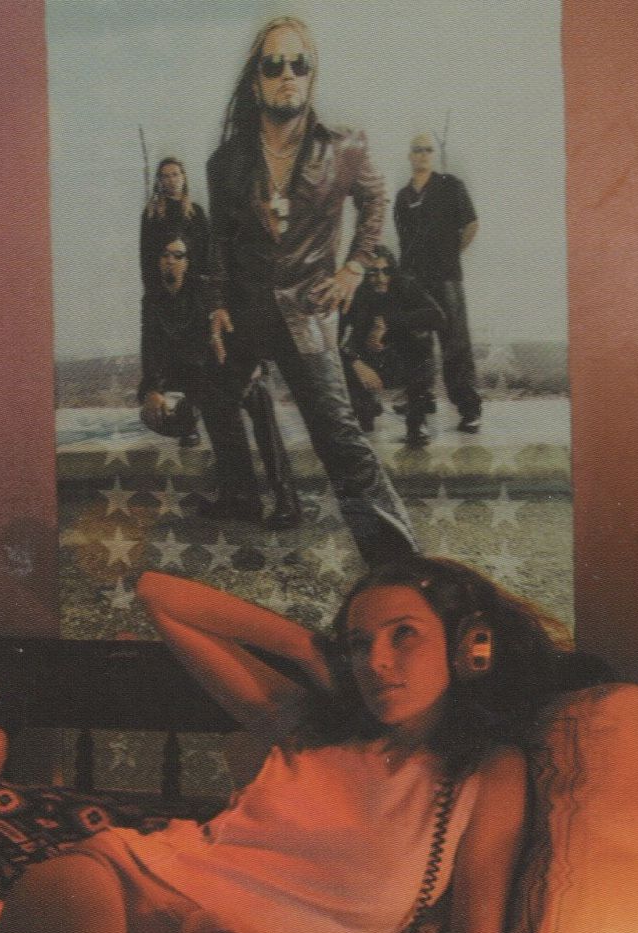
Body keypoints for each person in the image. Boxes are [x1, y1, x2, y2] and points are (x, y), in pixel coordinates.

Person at [0, 557, 567, 933]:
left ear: (470, 647)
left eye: (404, 635)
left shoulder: (489, 771)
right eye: (358, 643)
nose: (375, 662)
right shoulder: (303, 720)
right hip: (115, 889)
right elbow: (158, 593)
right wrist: (307, 648)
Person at [203, 16, 418, 565]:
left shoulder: (343, 147)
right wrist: (217, 305)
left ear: (311, 75)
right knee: (214, 396)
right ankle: (252, 497)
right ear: (256, 81)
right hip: (246, 311)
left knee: (339, 439)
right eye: (273, 65)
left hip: (307, 311)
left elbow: (375, 201)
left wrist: (354, 269)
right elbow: (220, 237)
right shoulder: (226, 162)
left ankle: (397, 565)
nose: (287, 75)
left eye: (298, 64)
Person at [139, 233, 269, 523]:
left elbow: (231, 330)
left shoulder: (203, 290)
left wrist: (248, 367)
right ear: (157, 260)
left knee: (225, 422)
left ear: (188, 262)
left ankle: (247, 500)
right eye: (165, 255)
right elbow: (150, 345)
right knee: (157, 416)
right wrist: (153, 390)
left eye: (178, 256)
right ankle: (233, 496)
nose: (170, 261)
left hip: (221, 370)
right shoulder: (152, 298)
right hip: (188, 378)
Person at [393, 132, 483, 435]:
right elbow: (404, 240)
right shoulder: (403, 196)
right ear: (409, 155)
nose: (422, 154)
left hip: (446, 278)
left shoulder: (451, 185)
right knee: (416, 345)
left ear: (434, 155)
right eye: (417, 150)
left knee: (455, 343)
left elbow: (471, 224)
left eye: (428, 150)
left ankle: (469, 409)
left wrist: (449, 254)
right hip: (413, 281)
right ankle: (421, 404)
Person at [340, 245, 446, 445]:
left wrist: (388, 323)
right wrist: (356, 363)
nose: (381, 278)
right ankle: (367, 406)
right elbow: (333, 336)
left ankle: (417, 421)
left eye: (386, 271)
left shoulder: (405, 285)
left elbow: (438, 318)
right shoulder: (352, 293)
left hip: (401, 358)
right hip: (367, 360)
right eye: (373, 273)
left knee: (422, 342)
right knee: (363, 423)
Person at [139, 156, 214, 295]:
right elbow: (147, 255)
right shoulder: (153, 213)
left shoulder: (196, 211)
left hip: (193, 284)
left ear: (183, 177)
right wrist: (151, 289)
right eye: (166, 176)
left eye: (175, 174)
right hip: (163, 284)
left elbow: (207, 249)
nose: (172, 180)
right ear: (160, 181)